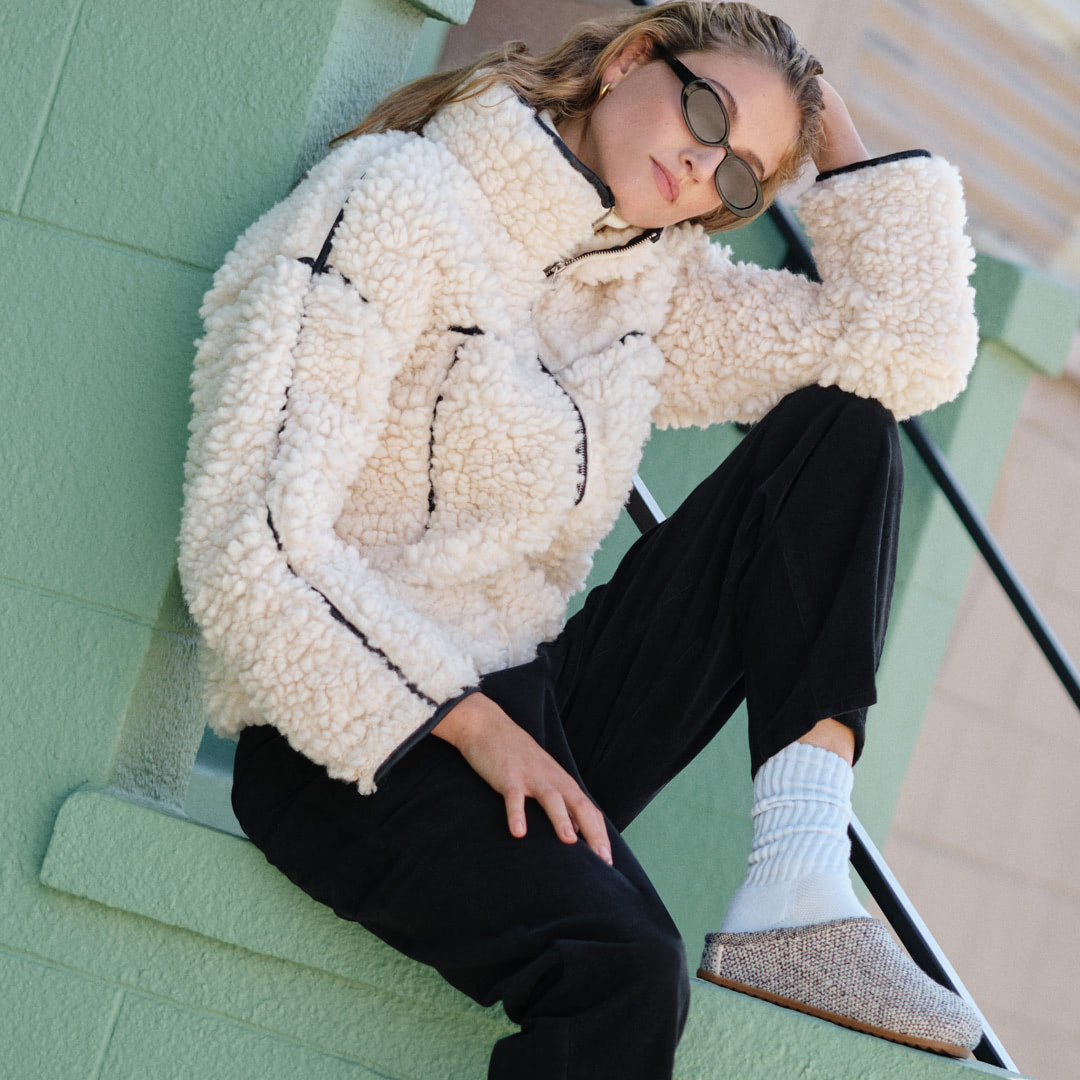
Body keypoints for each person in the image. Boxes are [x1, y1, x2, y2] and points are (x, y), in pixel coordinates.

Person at [178, 2, 983, 1075]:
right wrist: (466, 723)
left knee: (843, 432)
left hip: (539, 715)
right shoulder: (396, 199)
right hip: (363, 740)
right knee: (625, 970)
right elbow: (248, 543)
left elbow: (905, 351)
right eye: (706, 111)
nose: (703, 167)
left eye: (742, 176)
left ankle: (799, 871)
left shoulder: (643, 290)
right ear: (631, 60)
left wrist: (814, 100)